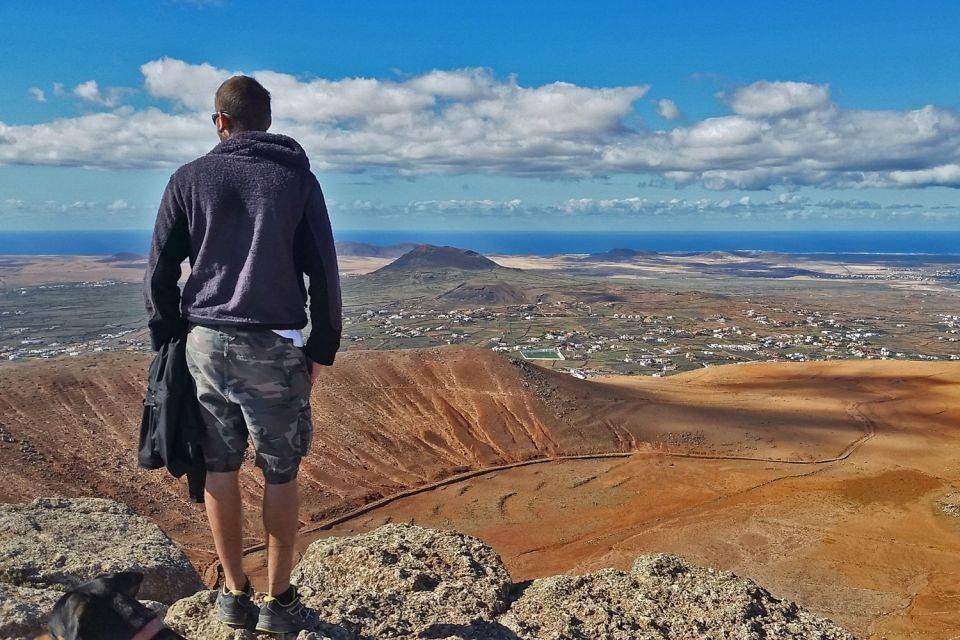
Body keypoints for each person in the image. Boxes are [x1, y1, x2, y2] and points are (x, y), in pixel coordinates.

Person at [143, 75, 341, 634]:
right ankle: (279, 604)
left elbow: (159, 271)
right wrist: (322, 347)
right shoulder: (297, 179)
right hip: (275, 344)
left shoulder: (188, 179)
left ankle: (234, 594)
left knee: (218, 468)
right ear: (268, 122)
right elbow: (323, 271)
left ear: (221, 122)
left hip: (204, 343)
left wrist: (168, 341)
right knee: (281, 472)